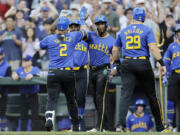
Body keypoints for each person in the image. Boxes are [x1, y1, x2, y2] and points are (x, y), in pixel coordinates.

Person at [112, 7, 169, 132]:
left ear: (133, 17)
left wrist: (117, 62)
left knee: (125, 96)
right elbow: (153, 48)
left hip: (127, 62)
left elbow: (115, 50)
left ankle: (119, 126)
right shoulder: (147, 30)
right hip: (143, 62)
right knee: (152, 96)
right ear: (143, 17)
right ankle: (160, 127)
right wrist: (162, 63)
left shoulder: (123, 30)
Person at [40, 17, 87, 131]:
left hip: (53, 72)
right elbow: (84, 33)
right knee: (71, 99)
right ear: (67, 28)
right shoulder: (73, 36)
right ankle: (75, 125)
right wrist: (82, 19)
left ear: (57, 27)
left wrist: (55, 35)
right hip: (68, 72)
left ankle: (50, 118)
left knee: (52, 99)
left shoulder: (50, 38)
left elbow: (40, 45)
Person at [87, 15, 115, 132]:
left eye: (102, 23)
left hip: (103, 69)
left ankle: (99, 127)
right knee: (95, 99)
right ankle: (107, 127)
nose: (100, 26)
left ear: (106, 24)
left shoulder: (112, 40)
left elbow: (115, 57)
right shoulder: (92, 35)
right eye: (98, 24)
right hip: (92, 70)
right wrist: (85, 20)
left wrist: (114, 68)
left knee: (100, 98)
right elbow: (82, 32)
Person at [68, 19, 88, 131]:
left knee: (80, 97)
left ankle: (79, 121)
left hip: (82, 71)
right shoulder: (66, 39)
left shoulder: (85, 38)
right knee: (71, 98)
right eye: (72, 26)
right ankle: (73, 123)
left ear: (79, 27)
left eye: (76, 26)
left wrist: (86, 21)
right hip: (70, 71)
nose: (74, 28)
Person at [12, 55, 40, 131]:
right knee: (23, 115)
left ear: (30, 62)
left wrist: (32, 75)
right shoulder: (20, 69)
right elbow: (14, 73)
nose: (24, 62)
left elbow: (38, 74)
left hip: (33, 95)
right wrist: (14, 74)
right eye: (24, 60)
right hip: (23, 95)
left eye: (26, 60)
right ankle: (23, 131)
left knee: (35, 115)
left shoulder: (35, 69)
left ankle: (35, 132)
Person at [163, 24, 180, 131]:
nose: (179, 33)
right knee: (170, 101)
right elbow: (166, 61)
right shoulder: (172, 46)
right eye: (178, 31)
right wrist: (167, 74)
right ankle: (169, 125)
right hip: (175, 74)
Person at [0, 47, 11, 131]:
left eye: (0, 54)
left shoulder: (7, 66)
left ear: (3, 55)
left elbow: (8, 82)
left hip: (3, 94)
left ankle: (4, 127)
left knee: (3, 111)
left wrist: (1, 93)